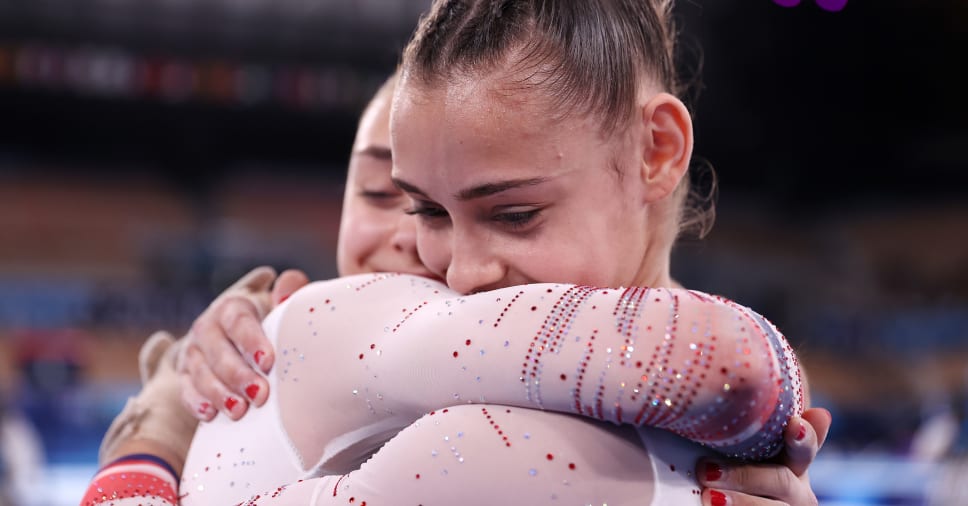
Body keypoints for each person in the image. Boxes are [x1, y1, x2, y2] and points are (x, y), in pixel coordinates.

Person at [83, 2, 831, 504]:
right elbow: (731, 366)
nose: (454, 266)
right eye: (418, 205)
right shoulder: (316, 333)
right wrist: (152, 439)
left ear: (657, 151)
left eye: (514, 213)